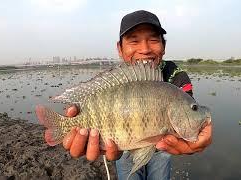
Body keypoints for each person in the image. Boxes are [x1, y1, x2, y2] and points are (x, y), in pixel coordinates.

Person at [62, 10, 212, 179]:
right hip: (122, 146)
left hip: (163, 147)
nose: (145, 49)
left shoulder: (176, 76)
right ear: (120, 48)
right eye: (134, 40)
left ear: (164, 46)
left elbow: (186, 110)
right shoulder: (114, 82)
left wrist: (200, 132)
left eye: (154, 40)